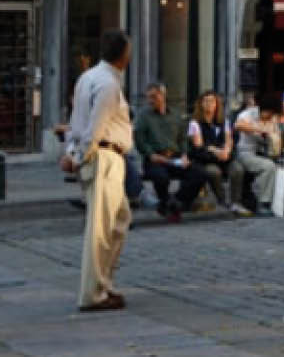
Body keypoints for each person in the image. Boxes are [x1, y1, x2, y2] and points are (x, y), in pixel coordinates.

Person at [60, 30, 133, 311]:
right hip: (104, 157)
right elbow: (94, 128)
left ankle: (103, 283)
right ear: (123, 54)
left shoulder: (88, 78)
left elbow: (75, 121)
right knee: (101, 230)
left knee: (118, 220)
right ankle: (94, 293)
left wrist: (72, 152)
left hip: (99, 156)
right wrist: (77, 156)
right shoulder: (107, 85)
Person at [134, 83, 207, 221]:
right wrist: (150, 154)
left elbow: (183, 138)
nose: (150, 101)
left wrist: (185, 154)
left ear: (163, 96)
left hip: (175, 157)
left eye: (154, 97)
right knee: (161, 178)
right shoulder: (143, 116)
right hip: (155, 159)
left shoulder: (175, 114)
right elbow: (139, 140)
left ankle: (174, 202)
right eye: (148, 97)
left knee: (200, 174)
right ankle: (168, 204)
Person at [232, 95, 280, 217]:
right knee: (268, 166)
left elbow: (275, 136)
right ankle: (264, 203)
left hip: (260, 152)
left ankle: (272, 200)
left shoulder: (272, 119)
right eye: (268, 112)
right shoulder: (248, 114)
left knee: (275, 164)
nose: (269, 115)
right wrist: (260, 129)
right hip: (245, 152)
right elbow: (238, 125)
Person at [187, 91, 236, 208]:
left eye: (212, 101)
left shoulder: (224, 121)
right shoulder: (195, 123)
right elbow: (199, 145)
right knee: (214, 172)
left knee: (237, 169)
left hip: (224, 157)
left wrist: (227, 151)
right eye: (206, 101)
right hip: (205, 159)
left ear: (217, 104)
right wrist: (216, 151)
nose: (209, 104)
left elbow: (229, 140)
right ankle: (222, 200)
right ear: (201, 104)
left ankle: (236, 201)